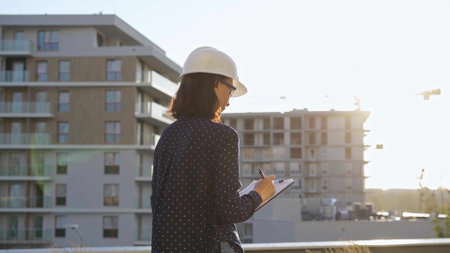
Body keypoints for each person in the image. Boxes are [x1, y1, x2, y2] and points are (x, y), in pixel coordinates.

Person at [151, 47, 276, 253]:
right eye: (231, 89)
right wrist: (259, 194)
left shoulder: (168, 135)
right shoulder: (222, 136)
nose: (229, 100)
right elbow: (228, 210)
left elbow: (158, 202)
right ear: (216, 83)